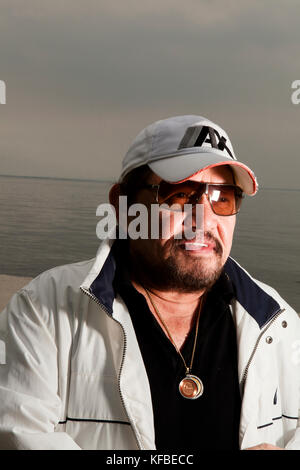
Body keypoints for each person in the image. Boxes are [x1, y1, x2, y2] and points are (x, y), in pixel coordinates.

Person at [0, 115, 299, 451]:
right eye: (179, 193)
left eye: (222, 197)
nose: (204, 217)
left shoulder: (279, 322)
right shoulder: (42, 310)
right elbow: (18, 436)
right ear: (123, 205)